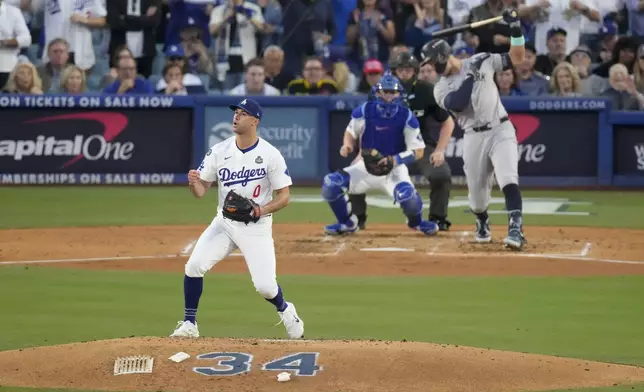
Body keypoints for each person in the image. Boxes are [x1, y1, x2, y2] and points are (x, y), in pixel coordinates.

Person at [170, 98, 304, 340]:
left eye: (243, 113)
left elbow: (284, 196)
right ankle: (190, 324)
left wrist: (261, 210)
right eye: (236, 112)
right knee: (194, 266)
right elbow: (201, 192)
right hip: (224, 223)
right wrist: (194, 183)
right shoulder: (219, 151)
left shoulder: (270, 154)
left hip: (256, 227)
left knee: (265, 287)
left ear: (254, 121)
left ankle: (286, 310)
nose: (236, 116)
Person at [422, 8, 528, 250]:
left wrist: (515, 29)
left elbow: (517, 57)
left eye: (436, 63)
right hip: (473, 136)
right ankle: (482, 220)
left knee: (508, 178)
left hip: (500, 128)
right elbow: (457, 102)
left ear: (446, 56)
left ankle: (516, 229)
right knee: (478, 200)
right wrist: (472, 75)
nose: (435, 69)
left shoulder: (481, 60)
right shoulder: (440, 88)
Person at [321, 73, 439, 236]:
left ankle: (416, 223)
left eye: (393, 92)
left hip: (394, 170)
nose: (389, 96)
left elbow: (418, 151)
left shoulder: (407, 117)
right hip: (365, 166)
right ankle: (347, 223)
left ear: (399, 94)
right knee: (330, 184)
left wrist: (395, 159)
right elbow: (351, 131)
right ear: (377, 93)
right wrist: (347, 144)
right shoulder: (364, 110)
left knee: (409, 199)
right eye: (386, 92)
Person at [349, 52, 455, 231]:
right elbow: (364, 124)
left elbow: (448, 121)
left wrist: (439, 150)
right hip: (383, 146)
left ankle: (437, 218)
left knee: (441, 173)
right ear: (394, 71)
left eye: (408, 70)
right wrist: (361, 153)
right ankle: (357, 218)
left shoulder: (426, 90)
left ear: (415, 71)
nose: (404, 73)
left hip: (418, 146)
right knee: (354, 172)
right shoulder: (378, 91)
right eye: (400, 70)